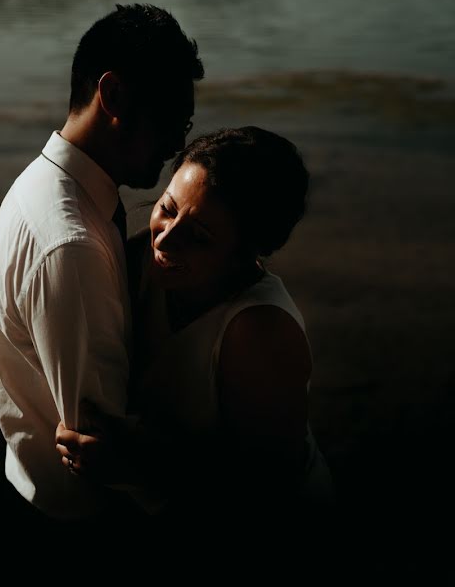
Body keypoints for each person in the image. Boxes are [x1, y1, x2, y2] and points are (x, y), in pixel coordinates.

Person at [0, 4, 204, 521]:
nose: (178, 144)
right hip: (86, 522)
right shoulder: (71, 244)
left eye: (186, 124)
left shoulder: (40, 186)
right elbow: (104, 447)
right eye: (171, 120)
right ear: (113, 96)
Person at [55, 127, 334, 523]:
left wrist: (133, 467)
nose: (165, 240)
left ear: (247, 253)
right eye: (167, 208)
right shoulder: (139, 263)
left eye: (199, 237)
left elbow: (267, 486)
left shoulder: (260, 331)